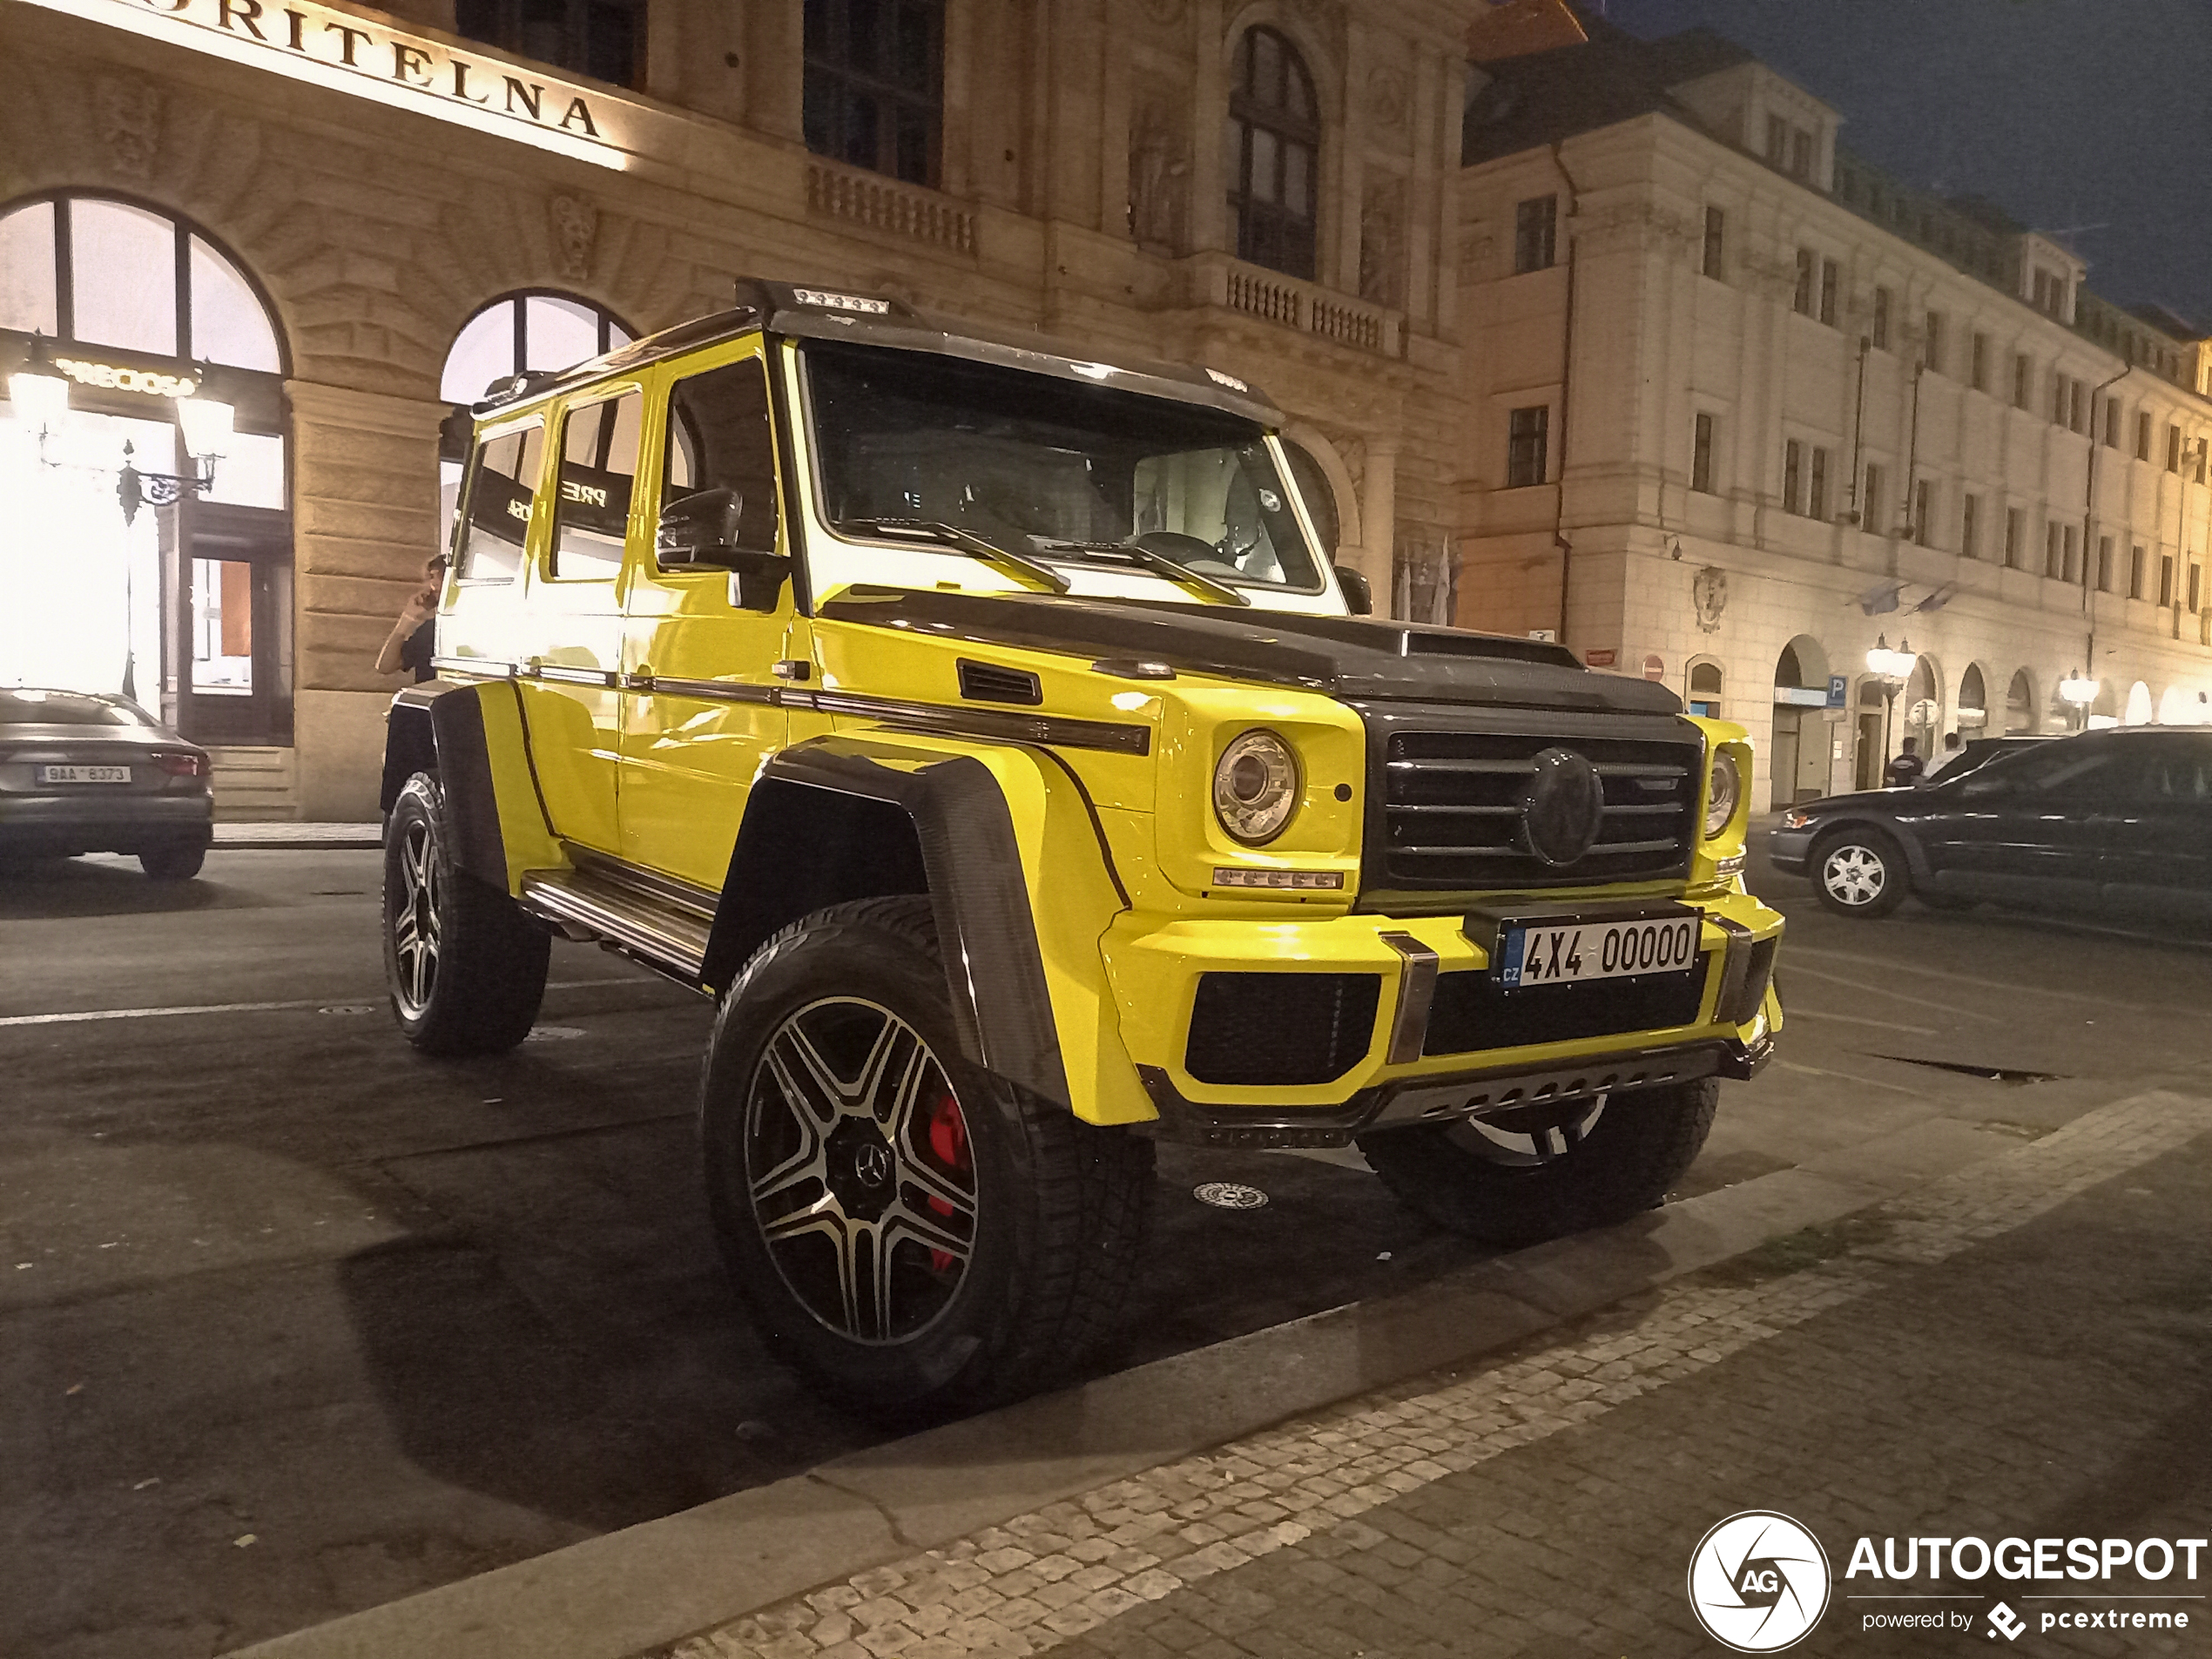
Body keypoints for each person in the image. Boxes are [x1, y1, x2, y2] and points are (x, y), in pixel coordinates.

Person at [375, 554, 446, 683]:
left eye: (440, 575)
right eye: (431, 577)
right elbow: (385, 666)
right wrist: (408, 617)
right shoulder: (429, 630)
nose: (434, 583)